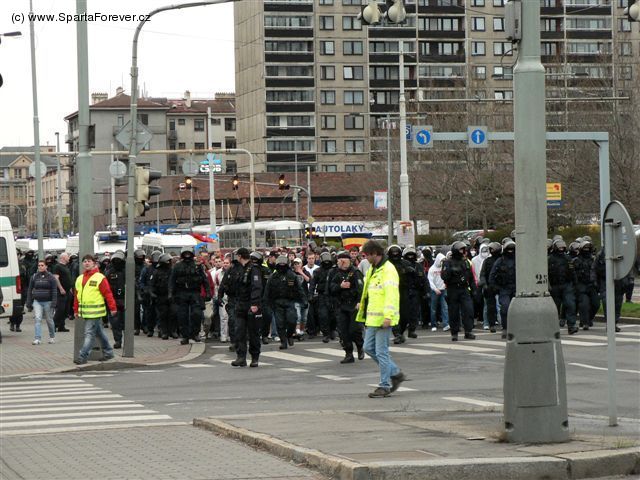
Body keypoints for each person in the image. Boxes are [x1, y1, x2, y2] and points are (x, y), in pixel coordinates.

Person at [356, 240, 405, 398]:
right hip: (373, 317)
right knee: (368, 348)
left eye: (367, 255)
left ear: (375, 254)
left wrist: (388, 316)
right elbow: (370, 292)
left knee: (381, 352)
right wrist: (362, 305)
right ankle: (395, 373)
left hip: (383, 318)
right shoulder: (373, 268)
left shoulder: (388, 270)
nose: (365, 258)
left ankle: (385, 385)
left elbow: (392, 295)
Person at [73, 254, 118, 365]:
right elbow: (76, 296)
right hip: (86, 313)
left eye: (89, 261)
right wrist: (76, 310)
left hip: (95, 313)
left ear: (94, 263)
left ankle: (83, 356)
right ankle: (108, 353)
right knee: (99, 333)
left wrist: (113, 308)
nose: (87, 263)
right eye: (85, 261)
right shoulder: (79, 279)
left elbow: (108, 293)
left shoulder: (99, 277)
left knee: (89, 334)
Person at [170, 246, 211, 345]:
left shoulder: (197, 266)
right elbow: (172, 281)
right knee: (182, 316)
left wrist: (208, 292)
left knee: (197, 314)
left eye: (189, 254)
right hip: (182, 293)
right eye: (185, 254)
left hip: (195, 293)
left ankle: (195, 334)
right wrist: (170, 293)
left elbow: (205, 280)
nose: (187, 255)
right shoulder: (177, 266)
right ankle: (185, 336)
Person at [264, 255, 307, 350]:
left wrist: (304, 301)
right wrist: (266, 304)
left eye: (284, 263)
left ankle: (289, 335)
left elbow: (299, 289)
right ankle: (283, 342)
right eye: (280, 263)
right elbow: (267, 291)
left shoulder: (292, 275)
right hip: (277, 303)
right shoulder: (273, 277)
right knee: (280, 323)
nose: (282, 265)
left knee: (292, 320)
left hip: (290, 302)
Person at [330, 251, 364, 364]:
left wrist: (359, 301)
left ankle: (360, 346)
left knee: (354, 329)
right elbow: (331, 287)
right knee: (343, 331)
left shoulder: (355, 272)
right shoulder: (336, 273)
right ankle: (349, 354)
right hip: (341, 305)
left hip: (353, 305)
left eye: (343, 260)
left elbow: (361, 289)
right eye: (339, 261)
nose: (341, 263)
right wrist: (340, 286)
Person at [231, 247, 263, 367]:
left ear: (240, 256)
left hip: (251, 304)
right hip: (240, 304)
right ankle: (241, 357)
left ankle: (254, 357)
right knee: (239, 331)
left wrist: (254, 304)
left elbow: (256, 287)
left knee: (253, 333)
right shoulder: (239, 268)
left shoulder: (254, 269)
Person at [441, 241, 476, 341]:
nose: (462, 251)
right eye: (461, 249)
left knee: (468, 310)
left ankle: (468, 331)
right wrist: (451, 271)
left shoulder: (466, 262)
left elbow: (471, 277)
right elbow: (444, 277)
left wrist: (474, 290)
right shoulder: (447, 262)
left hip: (464, 289)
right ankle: (454, 333)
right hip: (453, 289)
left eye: (463, 250)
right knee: (453, 312)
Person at [26, 260, 58, 345]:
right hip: (37, 301)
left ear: (46, 266)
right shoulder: (34, 276)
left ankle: (52, 337)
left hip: (48, 302)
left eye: (42, 265)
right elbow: (29, 289)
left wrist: (54, 303)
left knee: (49, 320)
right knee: (38, 319)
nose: (40, 267)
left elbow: (54, 290)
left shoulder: (51, 277)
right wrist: (29, 301)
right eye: (39, 265)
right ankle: (37, 339)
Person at [489, 240, 516, 338]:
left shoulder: (519, 260)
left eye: (512, 249)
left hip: (516, 288)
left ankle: (516, 328)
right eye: (509, 249)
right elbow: (492, 275)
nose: (510, 251)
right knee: (505, 307)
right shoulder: (500, 261)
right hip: (504, 289)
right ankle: (505, 328)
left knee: (517, 309)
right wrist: (495, 287)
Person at [104, 250, 126, 349]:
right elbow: (105, 287)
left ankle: (128, 340)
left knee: (126, 322)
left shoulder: (127, 271)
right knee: (115, 323)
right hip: (114, 301)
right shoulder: (109, 272)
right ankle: (118, 340)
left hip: (125, 300)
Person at [427, 251, 450, 332]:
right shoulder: (432, 269)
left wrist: (446, 285)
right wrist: (435, 289)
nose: (442, 262)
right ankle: (433, 324)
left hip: (443, 290)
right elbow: (430, 281)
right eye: (441, 261)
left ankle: (446, 324)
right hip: (435, 291)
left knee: (445, 307)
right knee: (433, 308)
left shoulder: (444, 268)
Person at [51, 253, 72, 332]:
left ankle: (61, 326)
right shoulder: (57, 266)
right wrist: (61, 288)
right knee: (60, 309)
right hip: (61, 291)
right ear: (63, 258)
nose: (69, 258)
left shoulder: (66, 266)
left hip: (67, 291)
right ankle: (53, 325)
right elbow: (56, 278)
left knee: (66, 310)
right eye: (68, 257)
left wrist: (70, 288)